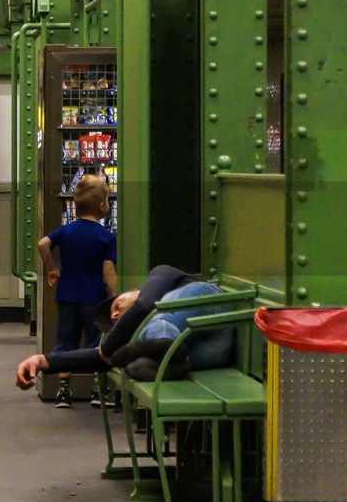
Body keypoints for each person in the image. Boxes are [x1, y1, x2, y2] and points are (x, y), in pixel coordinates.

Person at [14, 264, 236, 391]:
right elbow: (102, 359)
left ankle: (162, 352)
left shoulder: (161, 274)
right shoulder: (145, 330)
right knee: (147, 345)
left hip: (211, 306)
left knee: (155, 317)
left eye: (117, 305)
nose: (115, 315)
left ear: (131, 290)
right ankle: (171, 360)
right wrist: (43, 361)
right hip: (215, 350)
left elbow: (145, 304)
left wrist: (112, 347)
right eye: (114, 320)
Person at [37, 174, 117, 408]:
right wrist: (114, 297)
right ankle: (98, 391)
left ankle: (63, 392)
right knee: (97, 345)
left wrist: (52, 269)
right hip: (94, 299)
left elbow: (43, 244)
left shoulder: (67, 231)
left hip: (67, 296)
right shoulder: (106, 237)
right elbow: (108, 269)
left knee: (65, 342)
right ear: (103, 205)